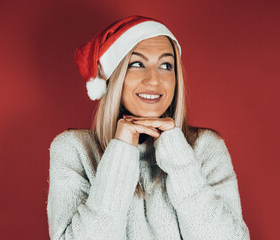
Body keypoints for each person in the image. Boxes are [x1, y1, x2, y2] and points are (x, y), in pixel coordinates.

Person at [46, 15, 250, 240]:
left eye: (165, 65)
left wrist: (179, 158)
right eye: (137, 64)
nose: (154, 80)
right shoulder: (73, 150)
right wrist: (121, 151)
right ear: (114, 77)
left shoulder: (205, 147)